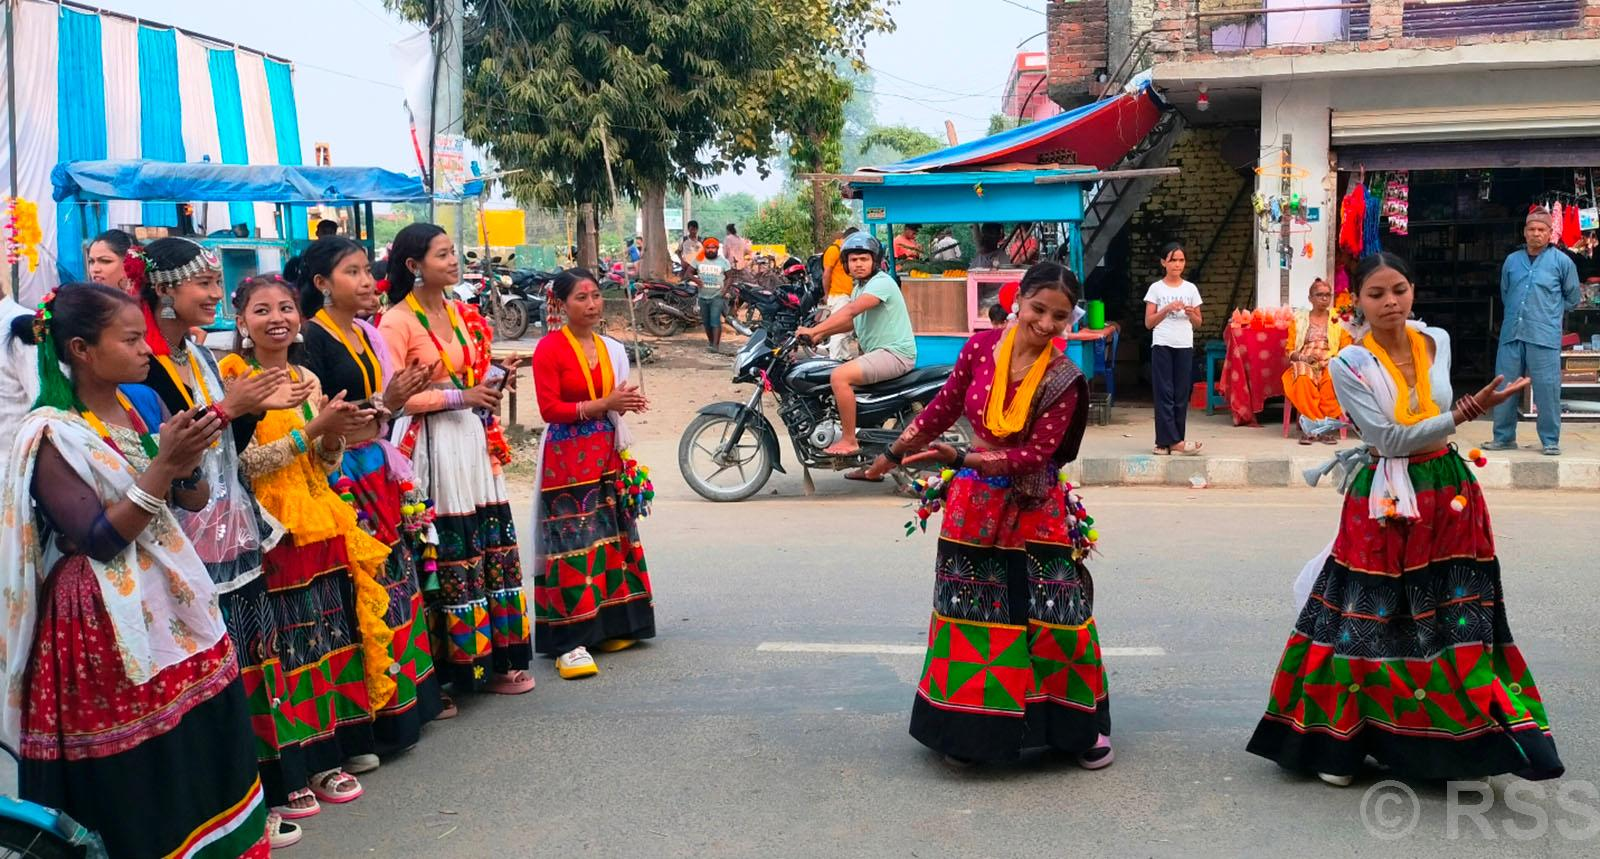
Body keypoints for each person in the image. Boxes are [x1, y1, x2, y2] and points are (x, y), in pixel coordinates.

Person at [1247, 251, 1563, 786]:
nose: (1390, 302)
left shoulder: (1435, 339)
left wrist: (1455, 416)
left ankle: (1459, 736)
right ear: (1359, 303)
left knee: (1452, 614)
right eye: (1376, 294)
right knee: (1367, 618)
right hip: (1384, 498)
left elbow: (1432, 417)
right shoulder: (1349, 364)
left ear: (1413, 290)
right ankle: (1339, 741)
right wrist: (1466, 411)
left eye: (1399, 289)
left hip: (1447, 490)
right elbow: (1386, 438)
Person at [1, 283, 272, 857]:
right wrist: (165, 464)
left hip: (171, 596)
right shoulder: (51, 433)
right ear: (81, 349)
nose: (147, 348)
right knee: (141, 766)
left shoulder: (140, 404)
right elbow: (97, 540)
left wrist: (188, 463)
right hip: (100, 615)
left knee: (196, 739)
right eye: (129, 339)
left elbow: (190, 501)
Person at [861, 261, 1110, 768]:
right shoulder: (978, 350)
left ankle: (1076, 728)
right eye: (1039, 309)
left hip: (1036, 511)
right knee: (973, 616)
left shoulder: (1065, 379)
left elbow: (1037, 455)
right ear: (1019, 299)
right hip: (973, 508)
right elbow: (943, 407)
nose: (1045, 324)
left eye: (1059, 318)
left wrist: (962, 458)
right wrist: (892, 454)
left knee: (1054, 619)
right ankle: (972, 732)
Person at [134, 237, 309, 847]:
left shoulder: (197, 355)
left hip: (231, 533)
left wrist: (249, 406)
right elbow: (171, 446)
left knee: (245, 669)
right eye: (202, 285)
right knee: (201, 680)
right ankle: (217, 809)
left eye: (214, 284)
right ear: (163, 290)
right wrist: (232, 406)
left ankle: (253, 798)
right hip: (181, 543)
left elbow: (230, 447)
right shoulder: (148, 365)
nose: (214, 294)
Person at [220, 274, 395, 822]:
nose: (278, 318)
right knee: (285, 652)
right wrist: (311, 430)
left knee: (325, 640)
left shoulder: (307, 375)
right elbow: (242, 466)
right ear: (241, 321)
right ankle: (291, 768)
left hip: (322, 523)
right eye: (262, 310)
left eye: (287, 308)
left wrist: (335, 434)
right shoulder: (233, 379)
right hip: (270, 530)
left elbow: (324, 463)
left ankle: (328, 753)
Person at [297, 236, 446, 750]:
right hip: (342, 476)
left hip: (379, 468)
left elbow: (383, 411)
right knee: (362, 588)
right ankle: (373, 718)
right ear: (322, 285)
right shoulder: (310, 342)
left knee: (396, 579)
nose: (367, 281)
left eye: (367, 270)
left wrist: (392, 403)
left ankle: (411, 702)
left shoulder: (365, 332)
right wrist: (388, 402)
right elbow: (324, 423)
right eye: (353, 272)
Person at [377, 223, 534, 697]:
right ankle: (444, 676)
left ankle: (491, 662)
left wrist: (494, 376)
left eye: (453, 252)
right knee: (442, 552)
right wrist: (462, 395)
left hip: (469, 441)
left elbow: (465, 373)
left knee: (485, 545)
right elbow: (394, 398)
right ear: (413, 266)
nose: (453, 260)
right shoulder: (395, 322)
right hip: (429, 446)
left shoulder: (458, 311)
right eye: (443, 254)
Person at [531, 269, 655, 680]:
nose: (592, 305)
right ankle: (569, 641)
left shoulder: (611, 348)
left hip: (604, 451)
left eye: (596, 296)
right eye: (581, 298)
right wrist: (604, 403)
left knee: (611, 535)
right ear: (561, 306)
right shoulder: (549, 349)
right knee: (573, 540)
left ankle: (612, 624)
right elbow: (550, 410)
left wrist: (626, 404)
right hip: (566, 457)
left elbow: (613, 401)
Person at [795, 233, 918, 460]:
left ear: (874, 261)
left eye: (863, 259)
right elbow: (852, 322)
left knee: (840, 377)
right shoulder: (859, 288)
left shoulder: (881, 282)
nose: (858, 264)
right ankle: (869, 464)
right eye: (853, 260)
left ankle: (849, 440)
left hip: (895, 354)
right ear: (846, 264)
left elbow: (851, 311)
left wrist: (814, 330)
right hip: (880, 354)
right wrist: (819, 334)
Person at [1486, 208, 1580, 456]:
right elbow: (1506, 293)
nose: (1536, 234)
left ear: (1550, 233)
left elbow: (1572, 297)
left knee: (1547, 388)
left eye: (1541, 230)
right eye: (1531, 229)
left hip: (1544, 334)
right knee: (1504, 386)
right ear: (1524, 232)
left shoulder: (1562, 262)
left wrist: (1549, 313)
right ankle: (1504, 437)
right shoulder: (1512, 261)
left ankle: (1550, 440)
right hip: (1512, 332)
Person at [1144, 242, 1203, 455]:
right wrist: (1167, 309)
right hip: (1162, 344)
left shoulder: (1190, 289)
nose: (1177, 265)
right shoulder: (1156, 289)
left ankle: (1174, 440)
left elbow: (1198, 322)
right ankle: (1166, 441)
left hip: (1184, 345)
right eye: (1172, 260)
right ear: (1163, 263)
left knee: (1180, 393)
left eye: (1181, 260)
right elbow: (1149, 322)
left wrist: (1190, 313)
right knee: (1164, 393)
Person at [1282, 278, 1352, 444]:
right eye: (1319, 295)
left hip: (1331, 359)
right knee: (1302, 377)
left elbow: (1346, 348)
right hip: (1305, 360)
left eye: (1328, 295)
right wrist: (1304, 358)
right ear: (1310, 298)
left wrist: (1333, 359)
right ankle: (1315, 427)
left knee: (1334, 378)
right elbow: (1290, 350)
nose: (1324, 299)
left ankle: (1320, 428)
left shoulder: (1339, 319)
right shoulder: (1298, 319)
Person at [821, 227, 860, 361]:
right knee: (838, 329)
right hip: (838, 295)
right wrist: (826, 294)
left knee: (846, 330)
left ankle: (845, 357)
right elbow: (826, 274)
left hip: (845, 295)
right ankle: (835, 359)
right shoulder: (834, 250)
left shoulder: (843, 251)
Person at [692, 236, 732, 353]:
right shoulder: (699, 259)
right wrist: (696, 280)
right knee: (706, 322)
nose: (710, 250)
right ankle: (711, 342)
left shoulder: (723, 262)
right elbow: (688, 273)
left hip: (717, 296)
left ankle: (715, 346)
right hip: (702, 296)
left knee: (715, 320)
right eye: (708, 248)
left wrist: (724, 290)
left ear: (717, 248)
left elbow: (730, 277)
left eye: (713, 248)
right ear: (704, 248)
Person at [86, 228, 137, 293]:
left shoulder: (146, 301)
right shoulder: (82, 301)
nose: (95, 269)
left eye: (105, 261)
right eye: (91, 261)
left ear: (131, 264)